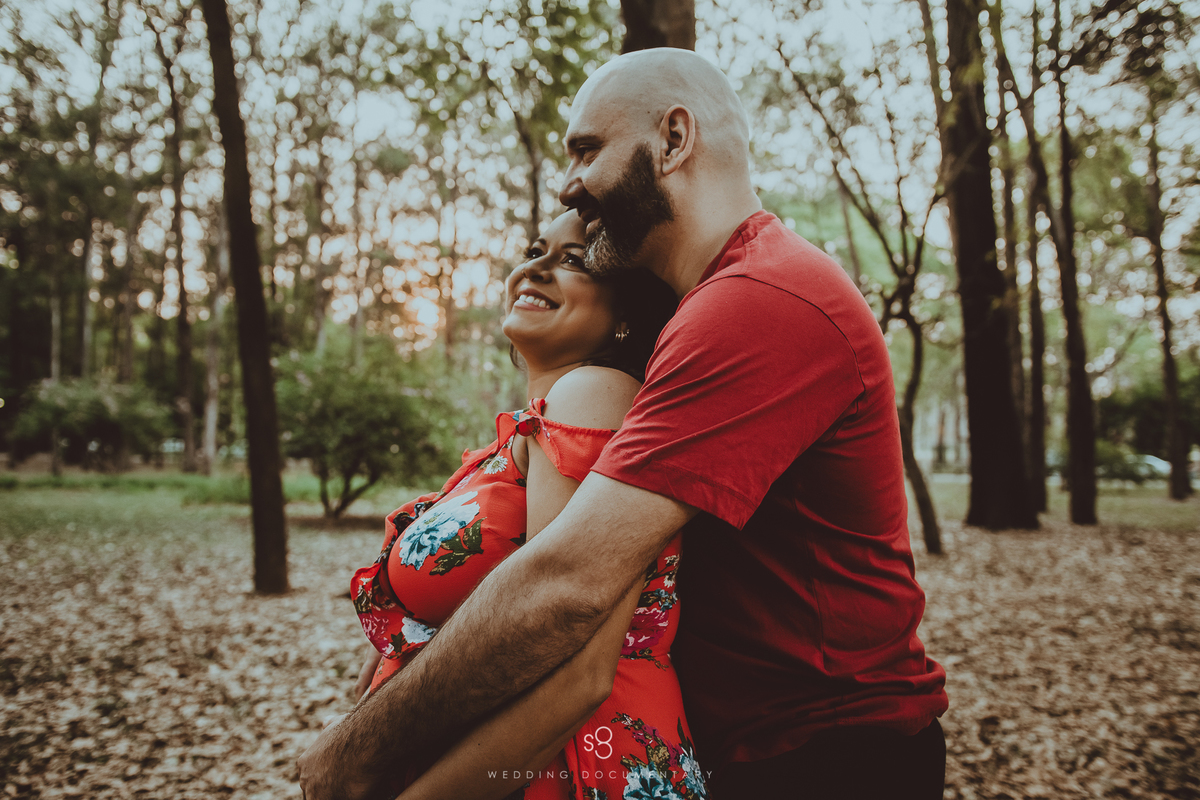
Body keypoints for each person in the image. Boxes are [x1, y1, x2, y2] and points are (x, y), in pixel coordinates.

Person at [299, 48, 948, 800]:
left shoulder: (762, 300)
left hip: (829, 757)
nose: (570, 185)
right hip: (745, 747)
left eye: (587, 151)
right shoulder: (706, 306)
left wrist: (358, 753)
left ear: (673, 141)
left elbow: (571, 586)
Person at [344, 209, 703, 800]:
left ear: (624, 317)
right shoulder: (522, 432)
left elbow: (560, 652)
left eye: (572, 260)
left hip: (570, 764)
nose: (533, 267)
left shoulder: (594, 394)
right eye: (536, 249)